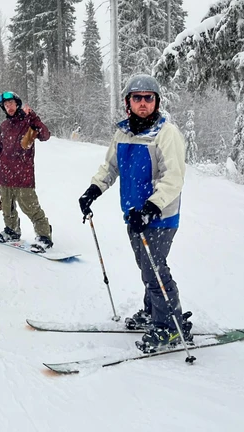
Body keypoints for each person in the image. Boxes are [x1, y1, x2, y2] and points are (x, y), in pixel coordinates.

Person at [77, 74, 191, 352]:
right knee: (147, 267)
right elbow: (110, 167)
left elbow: (173, 177)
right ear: (128, 102)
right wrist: (93, 190)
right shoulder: (123, 133)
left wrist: (151, 208)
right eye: (137, 98)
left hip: (160, 216)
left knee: (155, 270)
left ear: (157, 102)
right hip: (133, 214)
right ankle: (154, 313)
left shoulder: (166, 133)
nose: (143, 103)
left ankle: (170, 326)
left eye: (148, 98)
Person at [0, 91, 53, 251]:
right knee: (7, 208)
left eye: (11, 103)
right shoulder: (4, 126)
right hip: (5, 176)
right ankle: (12, 231)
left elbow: (45, 135)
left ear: (17, 104)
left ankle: (44, 236)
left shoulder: (28, 121)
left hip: (23, 176)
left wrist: (33, 116)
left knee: (31, 208)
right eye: (5, 105)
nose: (9, 107)